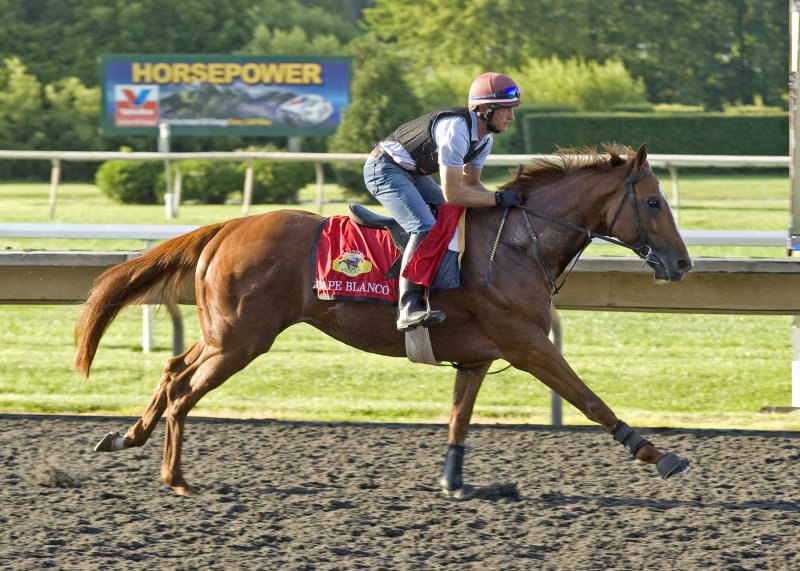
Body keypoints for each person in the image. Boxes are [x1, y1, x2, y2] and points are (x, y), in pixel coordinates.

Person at [364, 72, 522, 332]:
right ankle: (408, 307)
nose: (511, 117)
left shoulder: (485, 139)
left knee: (451, 215)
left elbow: (470, 184)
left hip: (412, 173)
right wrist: (496, 199)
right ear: (484, 109)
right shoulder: (456, 129)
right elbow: (454, 193)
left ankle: (442, 282)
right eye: (506, 110)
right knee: (424, 226)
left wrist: (502, 203)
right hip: (383, 169)